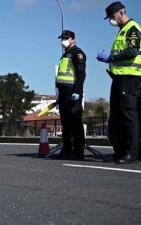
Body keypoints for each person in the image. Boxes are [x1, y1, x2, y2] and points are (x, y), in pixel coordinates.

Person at [97, 1, 141, 164]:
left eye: (112, 16)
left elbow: (132, 52)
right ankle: (120, 152)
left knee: (128, 116)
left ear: (121, 13)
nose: (111, 20)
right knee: (116, 117)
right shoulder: (122, 31)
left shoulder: (132, 29)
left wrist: (110, 58)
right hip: (118, 78)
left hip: (129, 78)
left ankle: (132, 153)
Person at [54, 30, 86, 160]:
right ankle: (66, 149)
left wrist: (78, 91)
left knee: (75, 121)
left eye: (66, 38)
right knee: (66, 122)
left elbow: (81, 74)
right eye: (62, 38)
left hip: (72, 91)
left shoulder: (77, 53)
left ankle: (78, 151)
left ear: (73, 39)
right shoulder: (65, 54)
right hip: (63, 92)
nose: (63, 40)